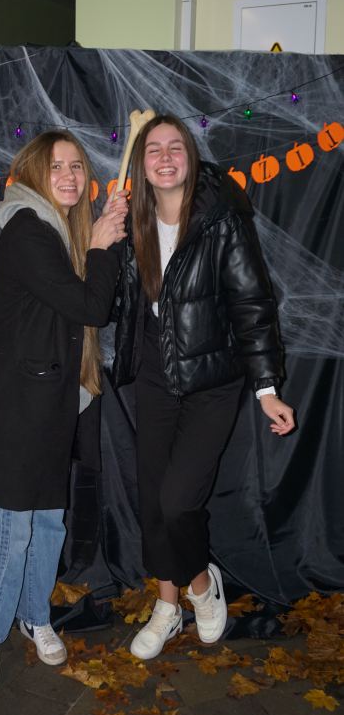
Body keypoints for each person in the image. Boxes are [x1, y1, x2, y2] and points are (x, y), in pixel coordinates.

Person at [112, 113, 295, 660]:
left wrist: (266, 388)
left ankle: (200, 585)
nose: (165, 157)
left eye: (175, 147)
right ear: (142, 166)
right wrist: (104, 236)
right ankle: (170, 603)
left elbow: (252, 303)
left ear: (190, 158)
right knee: (153, 501)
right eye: (154, 150)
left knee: (177, 502)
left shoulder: (220, 219)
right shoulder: (134, 221)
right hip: (152, 376)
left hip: (211, 381)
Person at [0, 130, 128, 687]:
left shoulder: (57, 228)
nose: (69, 175)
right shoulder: (28, 229)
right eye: (56, 165)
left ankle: (35, 616)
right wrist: (101, 246)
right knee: (12, 526)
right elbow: (90, 306)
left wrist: (98, 237)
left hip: (52, 398)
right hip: (16, 404)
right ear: (34, 171)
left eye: (77, 166)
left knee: (49, 522)